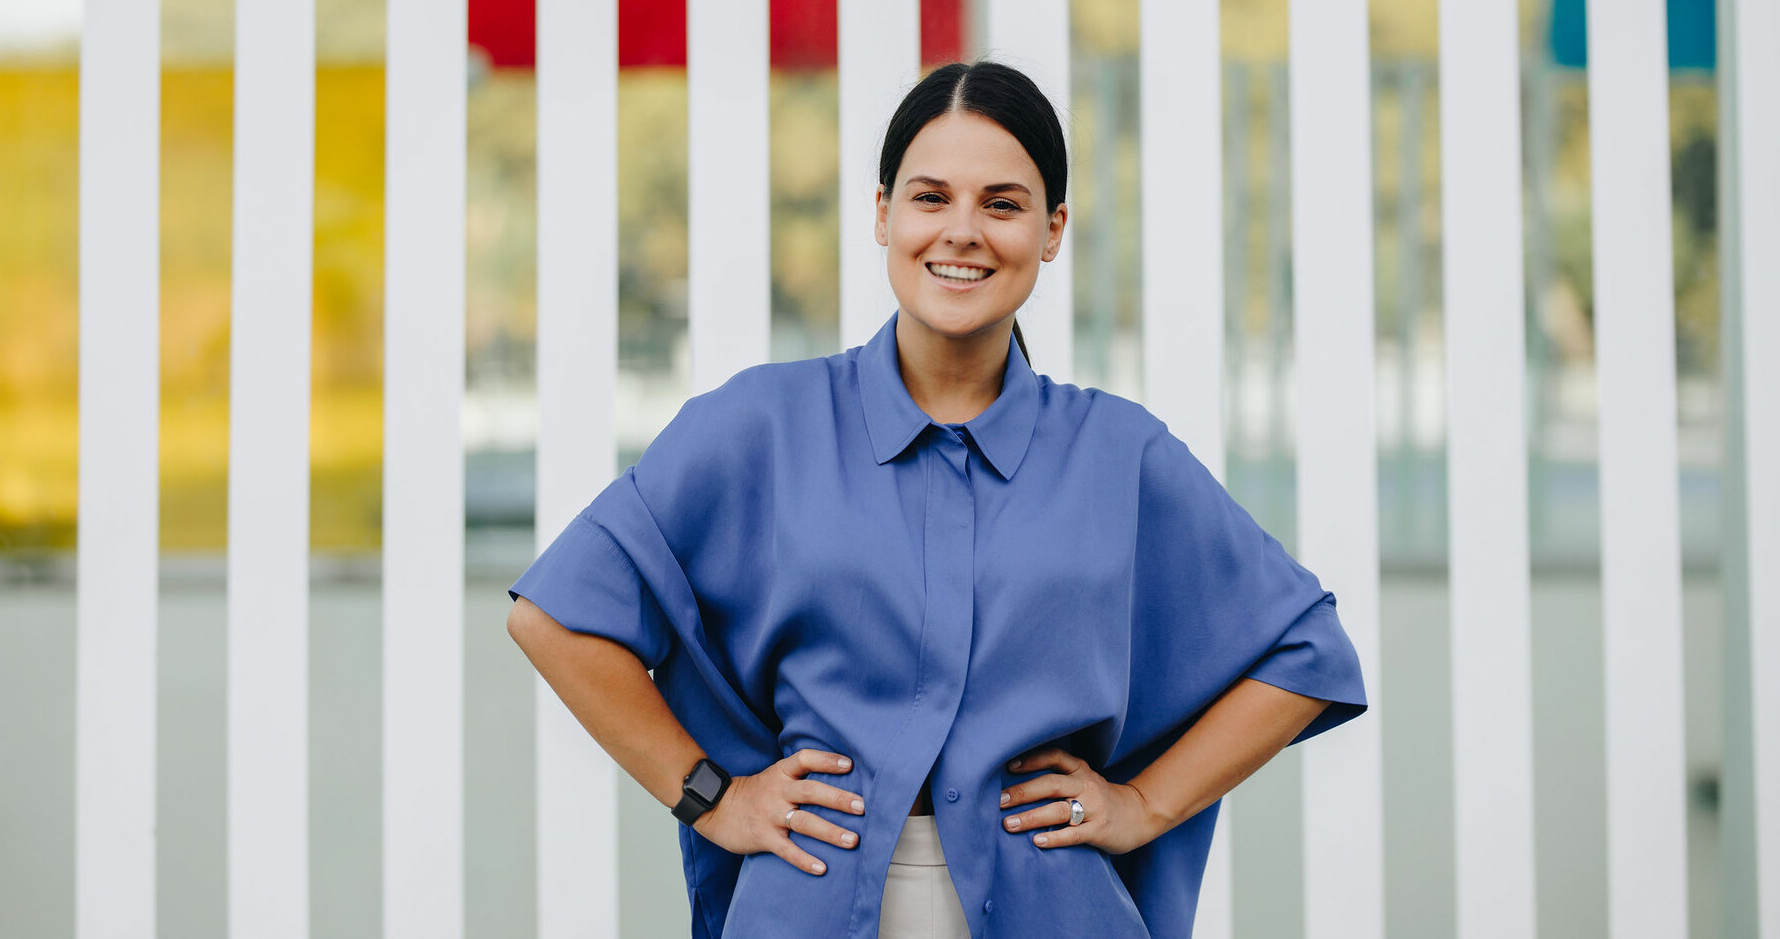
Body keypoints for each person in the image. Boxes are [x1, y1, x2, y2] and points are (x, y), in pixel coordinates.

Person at [506, 60, 1367, 939]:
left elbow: (1306, 651)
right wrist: (714, 798)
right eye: (929, 199)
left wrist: (1145, 804)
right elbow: (558, 616)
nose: (962, 232)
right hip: (805, 903)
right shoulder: (760, 425)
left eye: (1002, 204)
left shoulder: (1121, 453)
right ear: (882, 214)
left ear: (1052, 229)